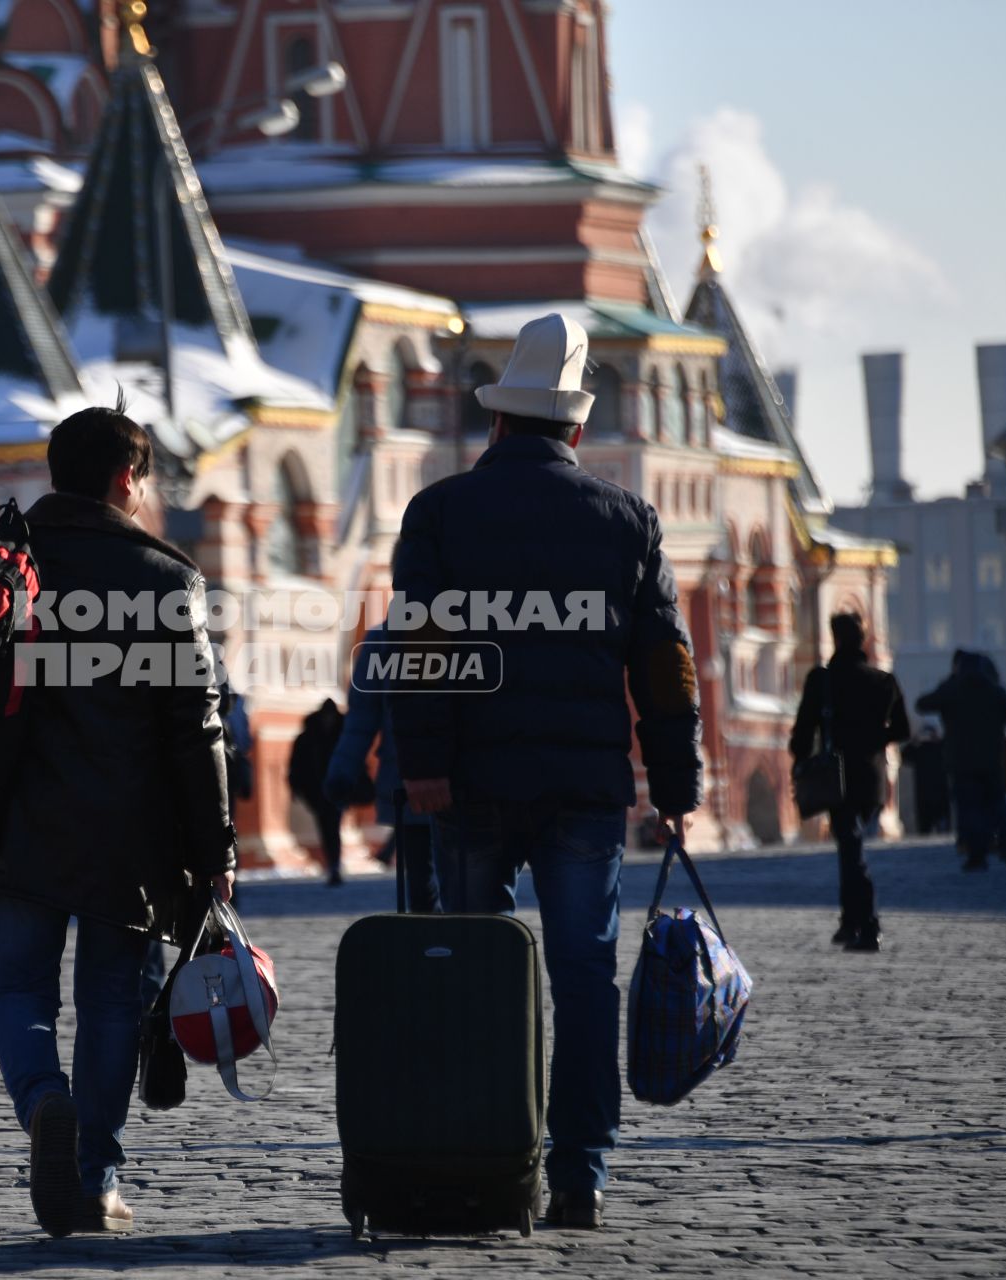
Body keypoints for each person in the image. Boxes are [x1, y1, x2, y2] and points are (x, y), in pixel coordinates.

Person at [387, 314, 704, 1232]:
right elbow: (667, 669)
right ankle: (581, 1174)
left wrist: (426, 765)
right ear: (575, 430)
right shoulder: (626, 520)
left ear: (496, 424)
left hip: (470, 789)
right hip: (584, 794)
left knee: (475, 976)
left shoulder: (439, 513)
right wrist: (675, 788)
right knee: (582, 979)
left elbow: (420, 642)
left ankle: (485, 1154)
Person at [0, 404, 235, 1237]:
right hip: (131, 836)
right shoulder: (164, 579)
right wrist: (216, 846)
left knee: (18, 987)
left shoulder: (5, 565)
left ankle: (42, 1101)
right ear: (127, 478)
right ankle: (93, 1177)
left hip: (15, 822)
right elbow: (196, 726)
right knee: (113, 999)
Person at [788, 613, 911, 952]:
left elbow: (803, 729)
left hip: (836, 776)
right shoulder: (883, 681)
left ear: (835, 638)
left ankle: (867, 925)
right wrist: (872, 737)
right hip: (870, 777)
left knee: (851, 847)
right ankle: (849, 921)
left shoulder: (823, 681)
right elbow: (903, 730)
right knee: (849, 844)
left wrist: (800, 762)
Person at [327, 625, 438, 911]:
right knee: (430, 889)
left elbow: (360, 721)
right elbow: (361, 718)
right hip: (412, 784)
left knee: (446, 889)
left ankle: (447, 947)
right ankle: (437, 949)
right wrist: (342, 771)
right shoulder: (384, 638)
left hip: (414, 781)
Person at [916, 651, 1006, 869]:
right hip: (991, 758)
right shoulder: (994, 690)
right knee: (997, 804)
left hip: (962, 760)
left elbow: (923, 703)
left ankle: (977, 855)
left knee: (969, 808)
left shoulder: (953, 689)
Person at [289, 699, 348, 885]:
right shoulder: (308, 738)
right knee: (325, 827)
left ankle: (334, 864)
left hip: (336, 788)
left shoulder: (341, 735)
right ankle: (333, 863)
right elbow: (296, 765)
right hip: (316, 791)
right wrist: (296, 787)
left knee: (334, 825)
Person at [902, 723, 951, 836]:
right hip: (926, 794)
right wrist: (915, 741)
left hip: (938, 793)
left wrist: (939, 740)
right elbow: (905, 756)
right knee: (925, 828)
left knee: (941, 827)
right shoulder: (920, 749)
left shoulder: (939, 748)